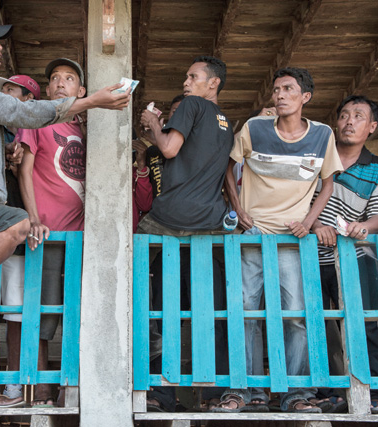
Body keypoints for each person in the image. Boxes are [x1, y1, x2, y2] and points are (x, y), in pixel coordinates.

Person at [0, 14, 130, 408]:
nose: (0, 46)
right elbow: (22, 113)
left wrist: (4, 150)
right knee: (18, 225)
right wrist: (91, 101)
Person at [219, 67, 343, 413]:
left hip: (293, 236)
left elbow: (328, 182)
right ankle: (245, 392)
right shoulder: (254, 128)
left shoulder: (322, 135)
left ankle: (295, 394)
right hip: (254, 233)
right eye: (276, 90)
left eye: (289, 89)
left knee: (296, 315)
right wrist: (239, 209)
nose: (280, 95)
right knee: (246, 312)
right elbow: (229, 168)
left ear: (306, 97)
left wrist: (309, 220)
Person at [138, 56, 234, 412]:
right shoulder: (226, 122)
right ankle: (216, 394)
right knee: (212, 311)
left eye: (193, 76)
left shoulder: (192, 105)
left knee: (144, 297)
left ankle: (159, 393)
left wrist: (152, 124)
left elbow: (168, 149)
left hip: (171, 219)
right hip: (210, 224)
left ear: (213, 84)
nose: (186, 82)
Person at [311, 95, 378, 414]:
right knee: (316, 323)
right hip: (312, 258)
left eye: (358, 116)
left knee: (364, 323)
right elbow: (300, 203)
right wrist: (316, 223)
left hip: (356, 258)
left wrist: (365, 227)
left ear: (372, 126)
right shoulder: (318, 157)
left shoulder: (377, 168)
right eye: (344, 115)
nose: (349, 121)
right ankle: (327, 391)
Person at [16, 58, 89, 407]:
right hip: (46, 233)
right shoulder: (37, 121)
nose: (61, 83)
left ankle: (69, 388)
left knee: (76, 311)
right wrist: (32, 218)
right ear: (48, 90)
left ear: (82, 92)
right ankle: (41, 390)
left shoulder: (86, 131)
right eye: (55, 79)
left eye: (69, 79)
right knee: (42, 311)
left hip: (82, 237)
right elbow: (24, 171)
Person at [0, 74, 41, 403]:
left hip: (22, 234)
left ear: (28, 101)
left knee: (16, 313)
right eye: (3, 91)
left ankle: (16, 385)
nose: (4, 97)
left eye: (11, 92)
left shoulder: (33, 136)